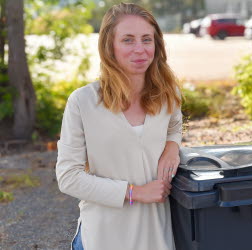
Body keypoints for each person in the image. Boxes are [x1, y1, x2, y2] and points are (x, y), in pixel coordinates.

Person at [55, 3, 182, 250]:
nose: (140, 49)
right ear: (109, 47)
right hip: (103, 237)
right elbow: (68, 178)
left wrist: (172, 145)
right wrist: (134, 192)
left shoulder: (168, 95)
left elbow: (174, 125)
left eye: (147, 39)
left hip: (157, 236)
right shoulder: (83, 102)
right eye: (127, 40)